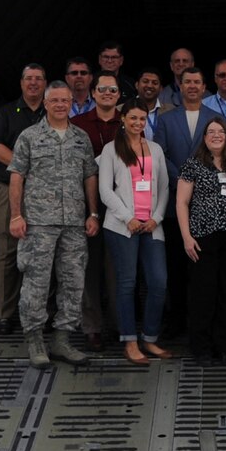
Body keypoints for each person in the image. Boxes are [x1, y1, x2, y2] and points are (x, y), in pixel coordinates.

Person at [9, 81, 101, 368]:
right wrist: (15, 215)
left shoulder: (81, 138)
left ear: (71, 103)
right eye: (56, 101)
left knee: (73, 282)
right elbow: (17, 177)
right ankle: (35, 339)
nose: (61, 105)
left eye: (66, 101)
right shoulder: (29, 137)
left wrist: (93, 213)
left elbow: (89, 176)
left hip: (74, 222)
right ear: (46, 103)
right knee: (36, 282)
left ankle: (62, 339)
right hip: (38, 222)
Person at [97, 101, 172, 364]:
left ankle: (149, 338)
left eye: (142, 119)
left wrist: (157, 218)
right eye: (133, 118)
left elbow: (163, 187)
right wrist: (127, 217)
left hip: (152, 225)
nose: (138, 123)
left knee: (158, 282)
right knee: (126, 284)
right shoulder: (111, 150)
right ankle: (129, 341)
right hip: (122, 227)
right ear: (123, 119)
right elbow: (105, 190)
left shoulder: (155, 148)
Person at [176, 116, 226, 361]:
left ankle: (224, 346)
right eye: (211, 132)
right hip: (202, 238)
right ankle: (202, 348)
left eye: (221, 131)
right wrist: (186, 237)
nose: (216, 135)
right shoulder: (193, 164)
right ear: (204, 138)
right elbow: (182, 202)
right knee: (203, 294)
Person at [0, 63, 47, 334]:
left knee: (43, 254)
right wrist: (23, 164)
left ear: (45, 83)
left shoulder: (53, 111)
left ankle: (39, 312)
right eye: (28, 79)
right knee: (8, 252)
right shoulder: (7, 112)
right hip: (8, 188)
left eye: (38, 79)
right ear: (21, 83)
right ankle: (5, 313)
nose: (33, 83)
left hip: (44, 193)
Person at [156, 66, 212, 340]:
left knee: (200, 266)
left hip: (205, 203)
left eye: (197, 82)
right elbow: (160, 154)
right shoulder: (166, 120)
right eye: (187, 82)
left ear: (204, 87)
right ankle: (175, 319)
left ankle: (199, 322)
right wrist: (183, 178)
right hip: (173, 200)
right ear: (180, 86)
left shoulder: (215, 117)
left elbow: (220, 152)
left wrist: (198, 180)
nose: (191, 86)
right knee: (175, 265)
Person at [71, 74, 127, 348]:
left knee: (118, 268)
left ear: (119, 95)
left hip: (122, 207)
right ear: (93, 92)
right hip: (87, 206)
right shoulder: (77, 125)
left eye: (112, 89)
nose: (107, 93)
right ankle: (91, 326)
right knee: (89, 268)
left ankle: (120, 325)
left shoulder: (129, 123)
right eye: (102, 89)